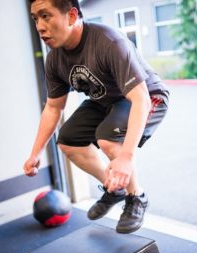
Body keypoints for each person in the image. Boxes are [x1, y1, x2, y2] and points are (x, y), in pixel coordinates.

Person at [24, 0, 169, 234]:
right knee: (68, 141)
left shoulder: (109, 42)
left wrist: (125, 158)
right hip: (107, 100)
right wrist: (35, 153)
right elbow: (53, 108)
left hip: (147, 96)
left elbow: (140, 99)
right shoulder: (55, 60)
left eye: (45, 16)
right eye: (35, 19)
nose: (39, 26)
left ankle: (137, 197)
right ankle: (115, 188)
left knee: (108, 139)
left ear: (72, 16)